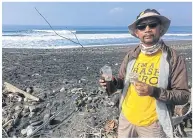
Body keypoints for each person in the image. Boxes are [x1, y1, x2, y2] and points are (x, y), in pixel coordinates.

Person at [99, 9, 190, 138]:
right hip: (126, 118)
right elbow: (122, 81)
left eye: (152, 25)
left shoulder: (173, 58)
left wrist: (154, 91)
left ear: (161, 29)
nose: (147, 29)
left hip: (153, 124)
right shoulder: (132, 55)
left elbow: (183, 95)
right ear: (137, 32)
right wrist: (112, 82)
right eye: (142, 26)